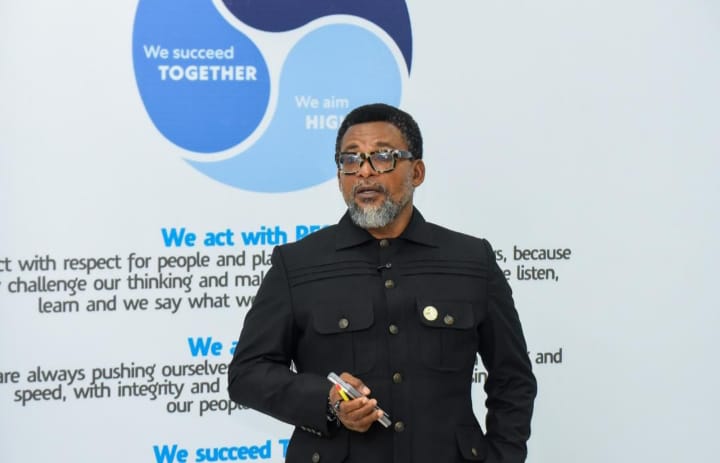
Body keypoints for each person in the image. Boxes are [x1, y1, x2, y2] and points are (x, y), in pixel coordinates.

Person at [228, 103, 537, 462]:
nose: (364, 172)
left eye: (382, 157)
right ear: (340, 176)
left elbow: (512, 379)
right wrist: (326, 400)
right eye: (350, 160)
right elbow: (247, 374)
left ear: (417, 172)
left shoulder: (471, 260)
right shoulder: (296, 264)